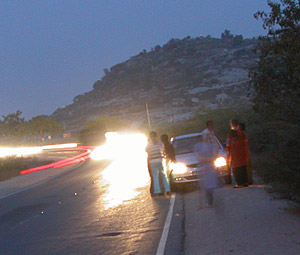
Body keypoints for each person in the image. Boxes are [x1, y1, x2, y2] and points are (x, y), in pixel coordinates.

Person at [194, 135, 219, 207]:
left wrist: (208, 160)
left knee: (210, 185)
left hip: (210, 166)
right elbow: (197, 156)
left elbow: (215, 155)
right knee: (205, 185)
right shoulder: (197, 146)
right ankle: (208, 201)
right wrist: (206, 160)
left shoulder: (211, 146)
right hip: (203, 167)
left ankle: (210, 201)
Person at [146, 131, 171, 196]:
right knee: (164, 175)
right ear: (156, 136)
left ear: (150, 137)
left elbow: (146, 151)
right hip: (160, 160)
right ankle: (167, 190)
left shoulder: (149, 144)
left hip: (152, 161)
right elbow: (163, 150)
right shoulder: (160, 143)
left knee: (155, 177)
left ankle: (157, 191)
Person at [226, 119, 249, 188]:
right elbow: (246, 141)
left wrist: (228, 153)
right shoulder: (242, 132)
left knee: (236, 168)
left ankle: (239, 183)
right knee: (243, 167)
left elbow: (227, 143)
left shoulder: (230, 133)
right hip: (243, 152)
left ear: (231, 124)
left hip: (234, 153)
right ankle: (245, 182)